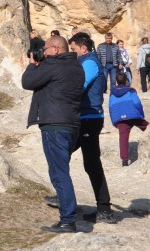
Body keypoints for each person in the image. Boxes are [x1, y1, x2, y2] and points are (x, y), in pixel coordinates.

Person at [21, 35, 84, 233]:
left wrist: (32, 65)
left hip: (55, 125)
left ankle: (67, 220)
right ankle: (68, 213)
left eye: (46, 49)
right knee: (62, 170)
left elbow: (27, 82)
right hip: (72, 124)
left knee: (59, 173)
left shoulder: (53, 65)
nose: (44, 53)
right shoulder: (76, 67)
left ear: (56, 50)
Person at [66, 33, 117, 224]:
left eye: (74, 49)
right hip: (85, 117)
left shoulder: (89, 62)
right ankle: (64, 197)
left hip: (89, 118)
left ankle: (104, 209)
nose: (73, 53)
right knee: (63, 153)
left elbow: (79, 85)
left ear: (83, 48)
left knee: (92, 163)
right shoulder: (86, 60)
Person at [108, 72, 149, 167]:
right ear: (126, 81)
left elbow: (111, 107)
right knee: (147, 127)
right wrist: (141, 115)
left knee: (123, 138)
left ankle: (124, 160)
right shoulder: (130, 91)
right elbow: (137, 103)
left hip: (120, 118)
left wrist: (115, 121)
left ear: (116, 82)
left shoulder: (112, 93)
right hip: (133, 115)